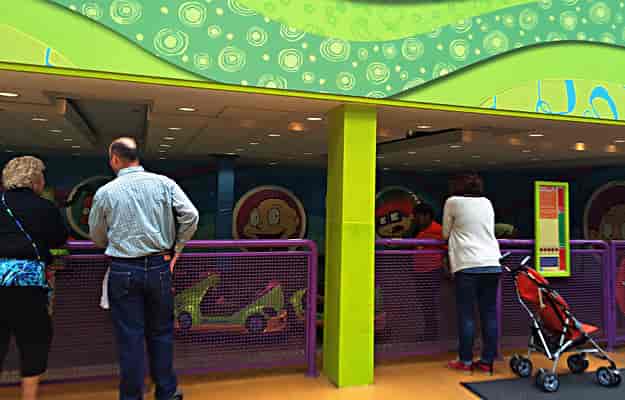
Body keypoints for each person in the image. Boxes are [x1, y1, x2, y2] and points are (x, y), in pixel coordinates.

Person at [89, 138, 199, 400]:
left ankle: (131, 396)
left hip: (123, 268)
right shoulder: (164, 183)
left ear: (115, 159)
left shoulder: (106, 192)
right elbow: (191, 215)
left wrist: (110, 243)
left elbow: (96, 234)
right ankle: (167, 392)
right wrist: (176, 250)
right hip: (160, 266)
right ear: (137, 156)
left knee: (130, 338)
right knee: (161, 334)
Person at [0, 156, 68, 400]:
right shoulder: (44, 207)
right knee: (34, 342)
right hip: (29, 285)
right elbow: (59, 238)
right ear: (35, 180)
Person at [443, 173, 502, 374]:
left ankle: (465, 360)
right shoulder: (487, 202)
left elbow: (445, 233)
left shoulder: (452, 202)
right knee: (489, 313)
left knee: (467, 314)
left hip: (467, 264)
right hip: (492, 262)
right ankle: (487, 361)